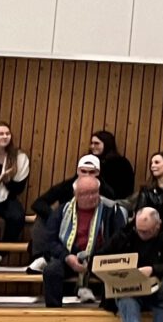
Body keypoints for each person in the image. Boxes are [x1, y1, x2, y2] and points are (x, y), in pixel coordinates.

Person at [35, 174, 126, 308]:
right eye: (86, 194)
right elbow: (50, 241)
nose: (91, 197)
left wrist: (96, 258)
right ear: (75, 194)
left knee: (115, 271)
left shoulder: (112, 210)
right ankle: (54, 312)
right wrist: (67, 257)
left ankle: (107, 313)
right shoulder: (62, 210)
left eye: (94, 193)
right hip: (69, 257)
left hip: (101, 258)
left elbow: (120, 240)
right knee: (51, 270)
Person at [30, 153, 102, 220]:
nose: (87, 175)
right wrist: (56, 218)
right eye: (83, 171)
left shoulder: (104, 190)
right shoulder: (66, 187)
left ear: (98, 173)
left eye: (92, 172)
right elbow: (38, 203)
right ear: (78, 171)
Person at [87, 131, 135, 202]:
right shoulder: (88, 161)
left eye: (96, 143)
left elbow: (123, 190)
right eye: (91, 143)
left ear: (106, 144)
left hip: (114, 202)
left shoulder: (120, 163)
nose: (92, 146)